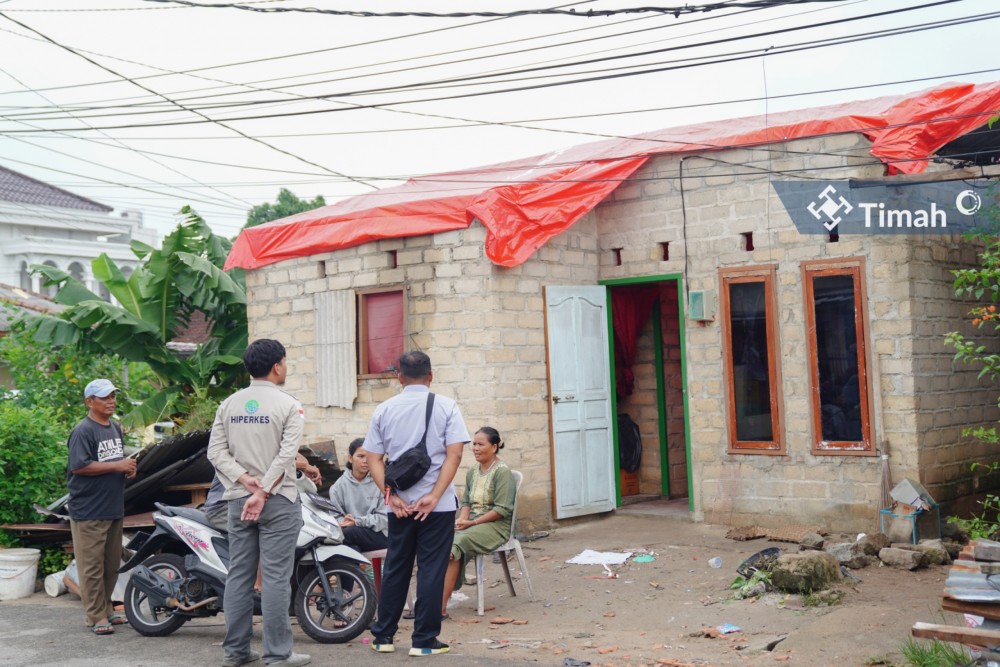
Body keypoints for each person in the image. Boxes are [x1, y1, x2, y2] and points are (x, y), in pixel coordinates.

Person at [206, 339, 310, 667]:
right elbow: (286, 456)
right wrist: (263, 490)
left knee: (239, 575)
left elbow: (215, 453)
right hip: (278, 501)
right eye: (286, 361)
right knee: (276, 577)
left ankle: (235, 652)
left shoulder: (230, 404)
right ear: (278, 366)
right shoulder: (289, 405)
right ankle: (278, 654)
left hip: (238, 501)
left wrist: (245, 481)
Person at [364, 351, 469, 657]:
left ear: (399, 377)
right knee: (431, 570)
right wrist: (435, 495)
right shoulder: (447, 406)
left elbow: (373, 458)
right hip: (436, 508)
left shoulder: (384, 409)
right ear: (431, 376)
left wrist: (390, 497)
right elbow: (455, 455)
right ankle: (423, 641)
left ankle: (383, 636)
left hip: (399, 506)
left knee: (396, 567)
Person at [67, 378, 137, 636]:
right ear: (89, 401)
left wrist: (127, 469)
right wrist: (117, 466)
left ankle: (107, 609)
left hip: (112, 506)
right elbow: (79, 466)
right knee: (92, 567)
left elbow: (114, 461)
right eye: (105, 397)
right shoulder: (83, 431)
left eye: (113, 396)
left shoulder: (114, 428)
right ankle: (95, 616)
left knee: (110, 564)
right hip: (89, 510)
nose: (111, 401)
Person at [440, 426, 515, 618]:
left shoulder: (502, 472)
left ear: (494, 447)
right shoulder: (473, 471)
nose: (475, 448)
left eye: (481, 444)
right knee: (439, 539)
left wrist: (472, 524)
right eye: (474, 444)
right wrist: (463, 518)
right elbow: (466, 502)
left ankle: (439, 607)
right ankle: (435, 600)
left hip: (496, 527)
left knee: (456, 543)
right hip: (472, 523)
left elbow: (502, 509)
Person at [328, 438, 387, 553]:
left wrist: (356, 522)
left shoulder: (381, 482)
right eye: (360, 456)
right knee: (349, 544)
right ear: (350, 458)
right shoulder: (337, 487)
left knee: (348, 534)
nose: (365, 461)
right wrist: (344, 521)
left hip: (380, 535)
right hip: (350, 534)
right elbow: (335, 517)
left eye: (369, 457)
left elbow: (384, 518)